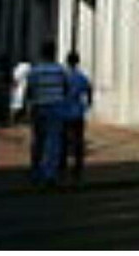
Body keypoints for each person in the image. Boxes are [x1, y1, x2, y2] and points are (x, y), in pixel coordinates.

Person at [26, 41, 67, 187]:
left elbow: (29, 91)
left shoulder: (35, 70)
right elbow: (65, 88)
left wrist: (29, 106)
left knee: (38, 140)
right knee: (53, 141)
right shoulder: (60, 70)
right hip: (56, 107)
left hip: (39, 106)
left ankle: (36, 171)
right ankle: (50, 173)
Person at [60, 51, 93, 184]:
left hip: (64, 111)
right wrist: (88, 104)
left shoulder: (63, 76)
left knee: (63, 139)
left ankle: (62, 164)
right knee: (78, 140)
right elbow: (89, 90)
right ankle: (78, 166)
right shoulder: (82, 77)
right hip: (77, 111)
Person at [11, 59, 31, 124]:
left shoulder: (20, 68)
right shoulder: (27, 67)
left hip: (22, 90)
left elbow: (15, 81)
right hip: (23, 89)